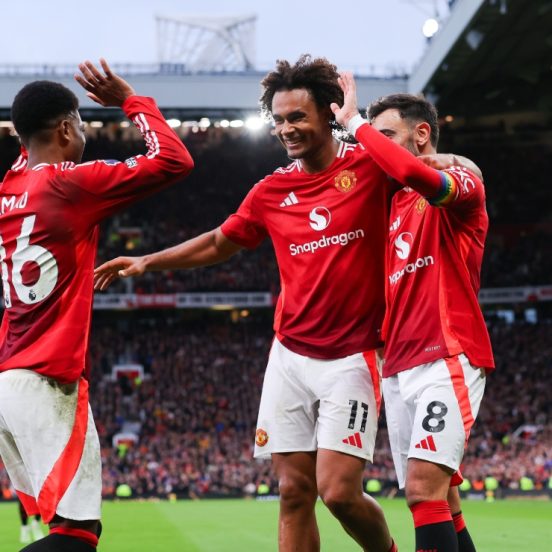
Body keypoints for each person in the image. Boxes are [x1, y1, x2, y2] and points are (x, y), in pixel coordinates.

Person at [94, 54, 398, 552]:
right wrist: (148, 260)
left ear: (329, 113)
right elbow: (220, 242)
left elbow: (421, 172)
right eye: (278, 120)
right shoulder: (272, 190)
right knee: (293, 491)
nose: (286, 129)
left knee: (339, 493)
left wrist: (450, 166)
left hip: (353, 356)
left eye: (297, 117)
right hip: (290, 355)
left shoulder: (369, 168)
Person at [0, 59, 194, 551]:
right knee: (76, 536)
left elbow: (29, 144)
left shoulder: (11, 186)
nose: (86, 134)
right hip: (45, 380)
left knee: (65, 530)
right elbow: (174, 160)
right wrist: (130, 100)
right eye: (82, 125)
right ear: (66, 129)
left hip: (11, 377)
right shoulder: (69, 184)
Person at [331, 73, 494, 552]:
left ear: (421, 134)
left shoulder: (461, 185)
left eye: (387, 135)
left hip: (447, 354)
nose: (375, 146)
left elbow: (423, 174)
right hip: (398, 366)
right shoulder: (390, 205)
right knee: (441, 499)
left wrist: (355, 123)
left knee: (423, 491)